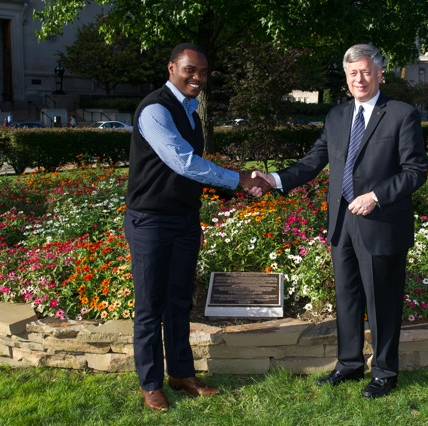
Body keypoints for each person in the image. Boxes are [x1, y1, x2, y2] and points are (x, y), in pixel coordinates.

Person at [251, 43, 428, 399]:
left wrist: (377, 195)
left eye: (365, 72)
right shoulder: (336, 117)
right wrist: (275, 179)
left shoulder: (401, 115)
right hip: (341, 224)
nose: (359, 79)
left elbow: (416, 171)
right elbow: (314, 160)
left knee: (382, 301)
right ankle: (348, 364)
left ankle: (384, 372)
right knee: (347, 298)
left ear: (379, 74)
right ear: (346, 79)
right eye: (352, 74)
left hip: (381, 224)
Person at [124, 43, 269, 412]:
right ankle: (151, 383)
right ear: (172, 67)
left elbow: (190, 175)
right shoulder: (155, 109)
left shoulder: (192, 113)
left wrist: (223, 196)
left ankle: (181, 374)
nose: (197, 78)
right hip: (150, 222)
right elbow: (183, 162)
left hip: (184, 221)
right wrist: (238, 179)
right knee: (149, 306)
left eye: (203, 72)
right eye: (190, 70)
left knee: (177, 302)